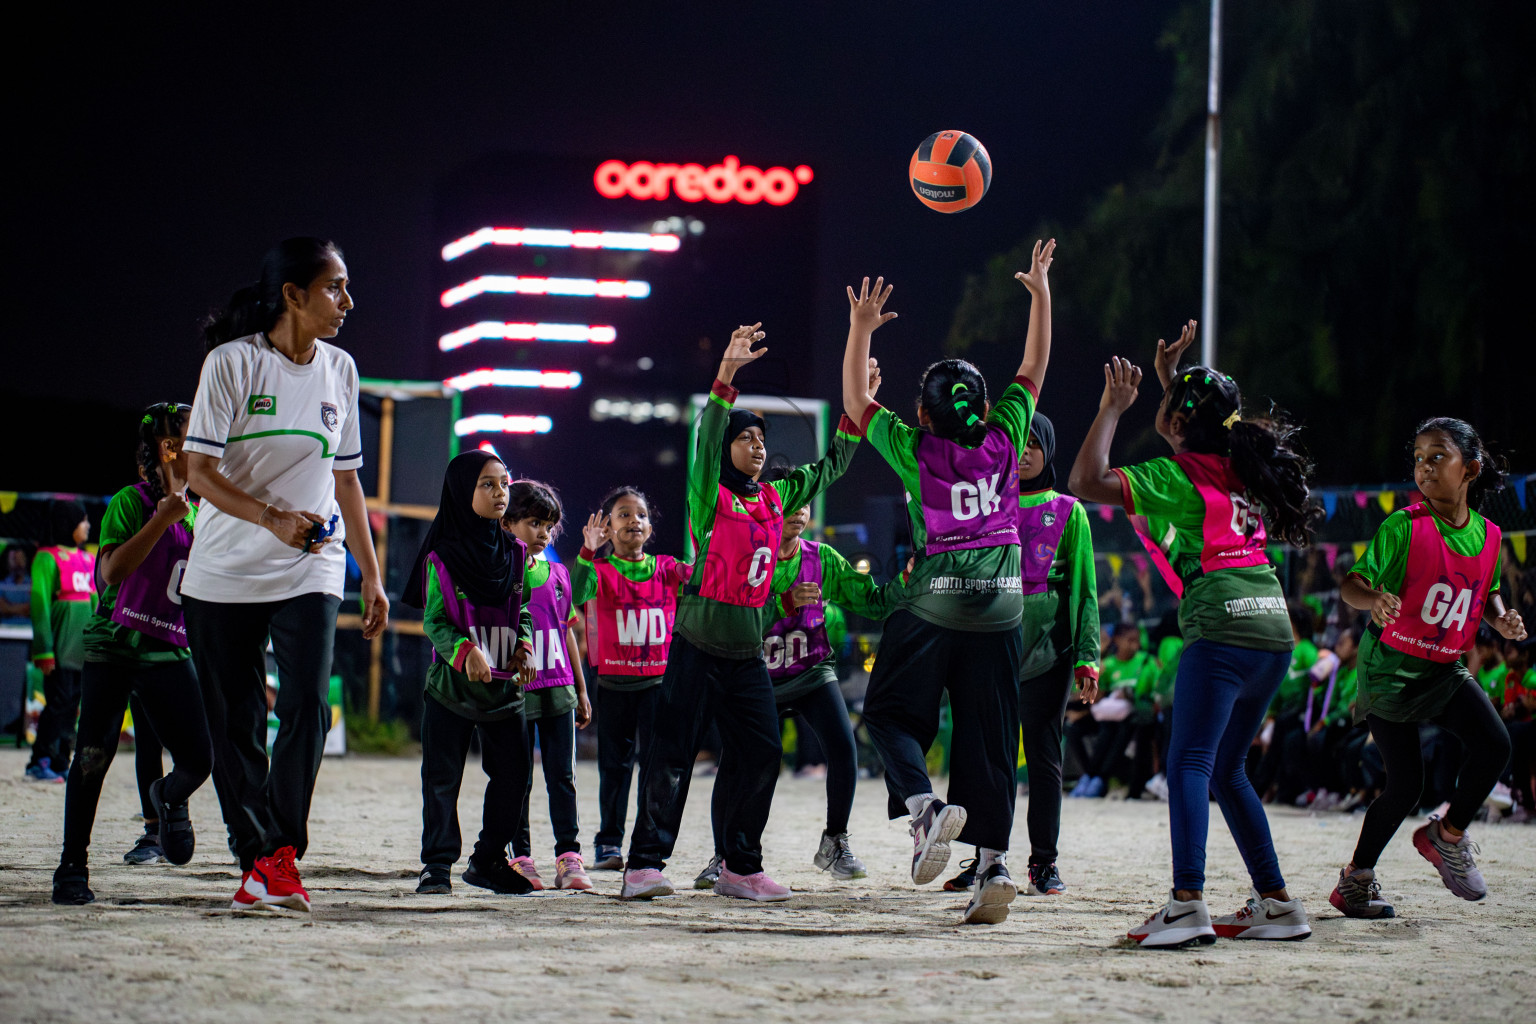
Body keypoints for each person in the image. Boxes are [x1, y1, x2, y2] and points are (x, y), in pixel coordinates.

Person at [1069, 320, 1320, 947]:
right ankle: (1278, 903)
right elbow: (1196, 426)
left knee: (1189, 762)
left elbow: (1085, 483)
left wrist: (1110, 410)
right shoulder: (1247, 469)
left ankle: (1186, 904)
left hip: (1222, 625)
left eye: (1166, 409)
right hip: (1273, 627)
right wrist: (1172, 386)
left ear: (1179, 422)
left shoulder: (1180, 478)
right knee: (1227, 769)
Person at [844, 239, 1055, 926]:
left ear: (925, 413)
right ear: (985, 405)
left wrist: (861, 328)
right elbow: (1034, 364)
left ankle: (924, 808)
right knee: (990, 738)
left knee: (887, 713)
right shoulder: (1004, 436)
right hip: (1002, 607)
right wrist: (1040, 293)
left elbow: (853, 400)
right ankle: (992, 864)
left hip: (939, 599)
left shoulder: (916, 448)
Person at [621, 322, 865, 903]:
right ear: (726, 449)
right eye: (745, 438)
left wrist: (859, 401)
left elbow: (831, 464)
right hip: (698, 643)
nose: (756, 446)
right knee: (673, 755)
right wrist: (727, 373)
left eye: (761, 439)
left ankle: (739, 865)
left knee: (760, 752)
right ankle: (644, 866)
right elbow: (706, 439)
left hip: (746, 655)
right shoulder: (710, 496)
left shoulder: (779, 498)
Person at [182, 237, 388, 913]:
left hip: (313, 564)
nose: (348, 302)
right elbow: (199, 474)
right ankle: (258, 858)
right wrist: (269, 516)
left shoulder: (342, 369)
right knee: (236, 722)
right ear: (293, 295)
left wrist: (374, 576)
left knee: (304, 704)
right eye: (335, 288)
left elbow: (348, 480)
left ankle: (280, 853)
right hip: (223, 569)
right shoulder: (231, 365)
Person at [1330, 418, 1525, 919]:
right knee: (1405, 786)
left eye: (1437, 455)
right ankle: (1355, 881)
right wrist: (1372, 599)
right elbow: (1351, 585)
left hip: (1441, 668)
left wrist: (1501, 617)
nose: (1423, 466)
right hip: (1389, 670)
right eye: (1417, 456)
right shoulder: (1404, 526)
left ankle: (1447, 834)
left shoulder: (1490, 536)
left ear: (1471, 469)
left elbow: (1487, 590)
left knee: (1496, 745)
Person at [52, 403, 215, 904]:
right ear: (169, 449)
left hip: (169, 648)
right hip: (115, 644)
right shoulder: (131, 500)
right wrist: (163, 518)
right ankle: (72, 867)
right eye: (192, 437)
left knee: (199, 760)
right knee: (93, 756)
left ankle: (163, 797)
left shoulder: (209, 510)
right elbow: (110, 574)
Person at [695, 498, 898, 889]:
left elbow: (871, 602)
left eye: (805, 503)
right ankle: (724, 856)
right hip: (758, 677)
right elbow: (731, 617)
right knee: (736, 762)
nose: (799, 510)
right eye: (790, 502)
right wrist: (782, 603)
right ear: (770, 508)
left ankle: (835, 841)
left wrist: (907, 583)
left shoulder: (822, 558)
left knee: (843, 746)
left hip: (810, 670)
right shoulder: (749, 557)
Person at [945, 411, 1101, 896]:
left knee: (1043, 761)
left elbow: (1085, 590)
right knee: (986, 760)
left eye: (1037, 443)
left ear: (1047, 450)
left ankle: (1044, 864)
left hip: (1047, 656)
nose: (1028, 450)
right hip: (990, 650)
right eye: (1021, 441)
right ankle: (985, 859)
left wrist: (1087, 657)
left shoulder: (1070, 511)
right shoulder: (986, 505)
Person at [405, 450, 537, 897]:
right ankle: (437, 866)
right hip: (451, 692)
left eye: (504, 483)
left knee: (515, 778)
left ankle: (486, 861)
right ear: (464, 491)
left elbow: (521, 610)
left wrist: (524, 643)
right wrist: (464, 652)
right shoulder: (442, 555)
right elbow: (434, 621)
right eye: (487, 484)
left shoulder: (516, 553)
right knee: (442, 779)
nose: (500, 492)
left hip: (504, 693)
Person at [571, 487, 691, 871]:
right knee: (614, 768)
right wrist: (587, 551)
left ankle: (647, 842)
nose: (632, 521)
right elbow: (573, 593)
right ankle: (608, 842)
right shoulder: (598, 570)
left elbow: (705, 579)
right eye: (623, 515)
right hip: (613, 685)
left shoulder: (668, 568)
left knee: (655, 770)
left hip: (657, 686)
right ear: (607, 527)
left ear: (650, 526)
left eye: (639, 514)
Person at [502, 481, 593, 892]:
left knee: (563, 776)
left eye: (550, 526)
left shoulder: (558, 574)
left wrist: (582, 688)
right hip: (518, 690)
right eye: (534, 522)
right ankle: (519, 856)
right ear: (507, 523)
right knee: (517, 777)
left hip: (559, 688)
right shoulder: (499, 572)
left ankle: (569, 857)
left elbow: (568, 631)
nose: (543, 532)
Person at [26, 502, 96, 782]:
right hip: (59, 649)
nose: (88, 526)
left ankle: (60, 761)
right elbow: (40, 605)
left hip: (83, 650)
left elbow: (95, 603)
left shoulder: (89, 559)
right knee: (58, 702)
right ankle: (38, 760)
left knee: (73, 705)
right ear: (70, 524)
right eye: (83, 520)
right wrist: (43, 649)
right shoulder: (46, 558)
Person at [1065, 622, 1153, 798]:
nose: (1134, 645)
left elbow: (1147, 695)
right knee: (1073, 728)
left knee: (1119, 729)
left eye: (1137, 640)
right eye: (1129, 640)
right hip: (1104, 716)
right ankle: (1089, 776)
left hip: (1132, 718)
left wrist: (1128, 695)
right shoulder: (1107, 665)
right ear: (1118, 640)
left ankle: (1100, 778)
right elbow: (1090, 697)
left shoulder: (1145, 661)